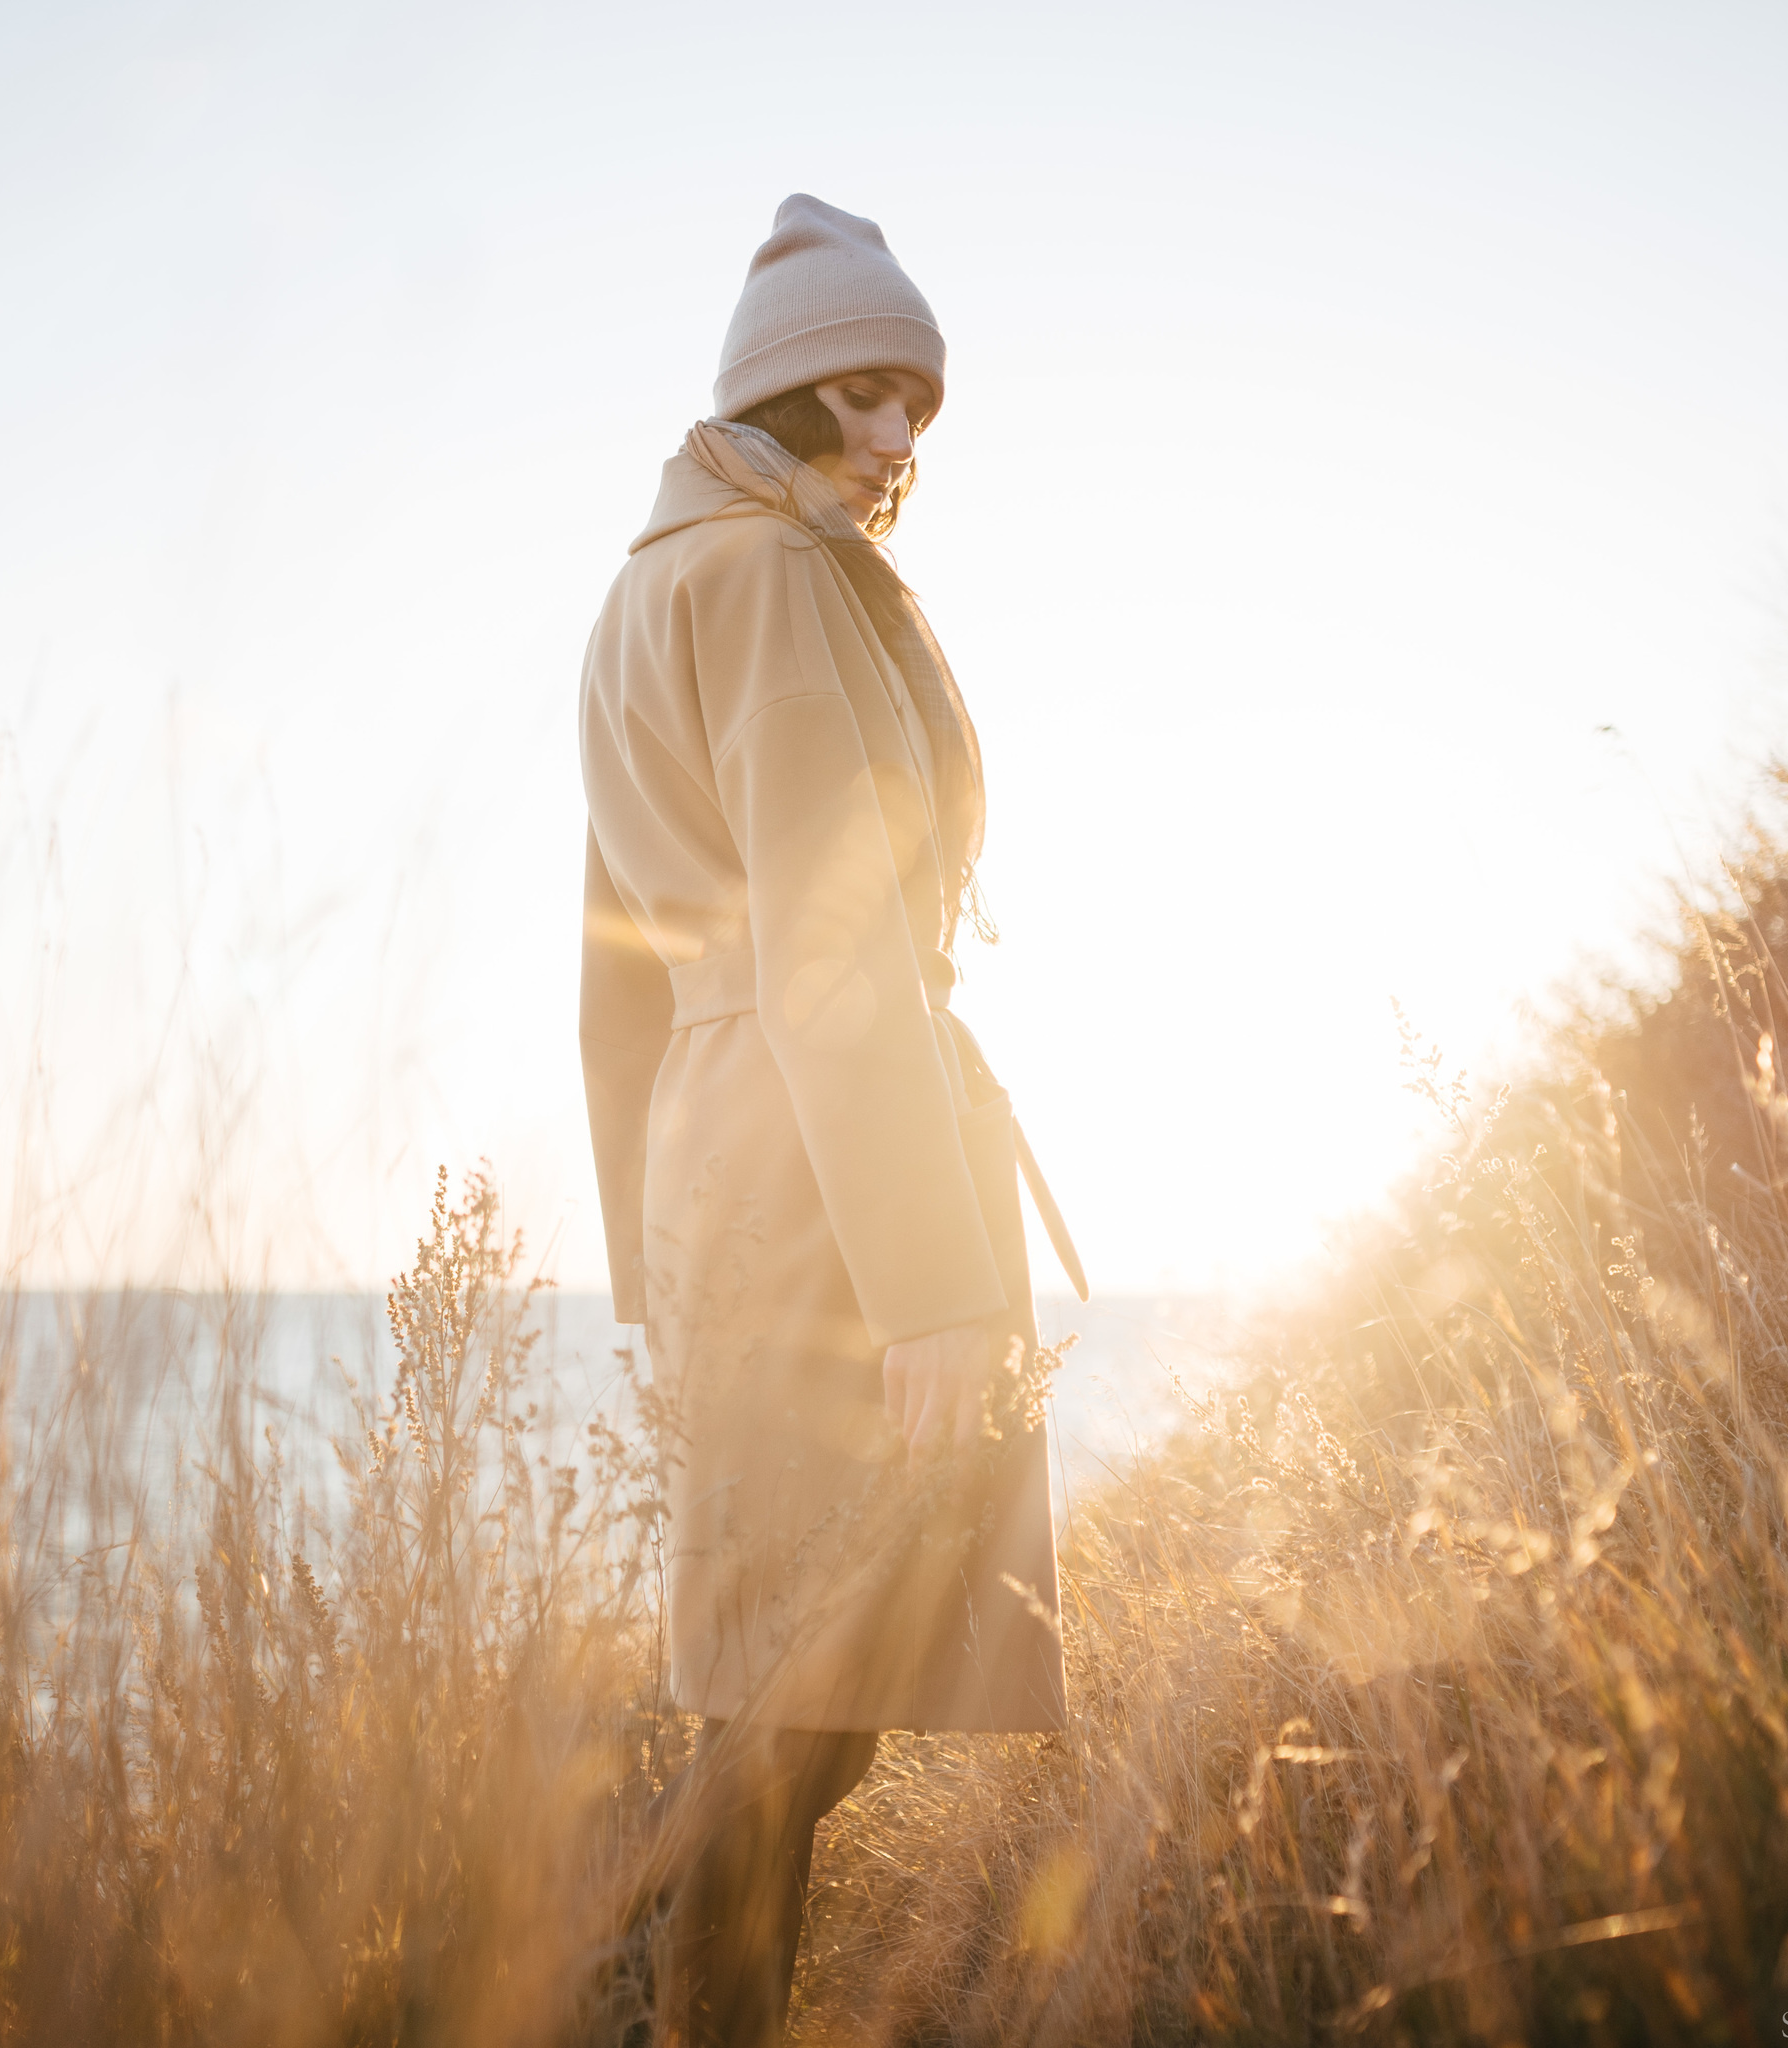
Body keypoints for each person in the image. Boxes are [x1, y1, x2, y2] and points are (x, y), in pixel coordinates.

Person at [578, 192, 1080, 2046]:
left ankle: (666, 1999)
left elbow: (615, 968)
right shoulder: (775, 581)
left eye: (915, 413)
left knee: (780, 1677)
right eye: (861, 399)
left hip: (734, 1161)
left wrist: (650, 1255)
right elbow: (834, 954)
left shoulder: (651, 582)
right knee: (802, 1696)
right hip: (829, 1169)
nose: (894, 446)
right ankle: (684, 2012)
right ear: (777, 392)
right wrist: (933, 1284)